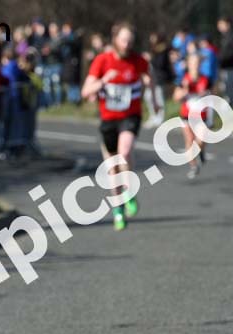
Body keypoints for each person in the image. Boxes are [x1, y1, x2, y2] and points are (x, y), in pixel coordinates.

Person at [81, 22, 154, 231]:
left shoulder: (137, 60)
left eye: (130, 40)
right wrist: (103, 81)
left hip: (131, 115)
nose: (127, 44)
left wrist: (154, 97)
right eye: (124, 40)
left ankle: (130, 191)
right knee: (112, 167)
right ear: (115, 39)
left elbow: (150, 77)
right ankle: (118, 208)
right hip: (108, 118)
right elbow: (86, 91)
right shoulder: (102, 61)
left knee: (125, 151)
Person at [174, 53, 210, 179]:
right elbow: (176, 97)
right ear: (189, 65)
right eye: (193, 63)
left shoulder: (205, 79)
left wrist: (205, 93)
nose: (195, 66)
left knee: (201, 139)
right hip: (187, 115)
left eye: (197, 63)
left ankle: (200, 151)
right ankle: (193, 166)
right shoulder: (183, 79)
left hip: (201, 115)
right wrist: (185, 90)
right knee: (189, 140)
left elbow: (213, 94)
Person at [216, 16, 233, 106]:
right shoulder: (224, 36)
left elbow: (232, 51)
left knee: (230, 85)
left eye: (221, 24)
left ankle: (232, 103)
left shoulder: (232, 36)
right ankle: (230, 102)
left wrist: (221, 58)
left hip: (230, 65)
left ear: (227, 24)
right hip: (225, 65)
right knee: (227, 85)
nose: (219, 27)